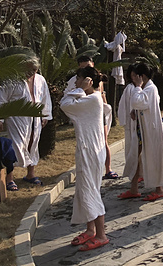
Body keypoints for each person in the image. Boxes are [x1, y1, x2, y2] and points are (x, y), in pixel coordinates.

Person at [60, 66, 111, 251]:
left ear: (88, 81)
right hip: (88, 150)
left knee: (91, 191)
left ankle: (101, 235)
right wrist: (80, 89)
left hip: (91, 151)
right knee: (85, 190)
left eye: (78, 78)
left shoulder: (92, 99)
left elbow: (65, 104)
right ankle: (90, 230)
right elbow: (67, 100)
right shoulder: (88, 98)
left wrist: (81, 89)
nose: (75, 82)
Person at [0, 57, 52, 190]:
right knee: (15, 146)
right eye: (28, 69)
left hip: (35, 118)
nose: (31, 73)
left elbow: (45, 98)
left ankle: (30, 174)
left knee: (33, 143)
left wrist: (46, 115)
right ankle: (10, 178)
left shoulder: (40, 80)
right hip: (17, 118)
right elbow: (2, 99)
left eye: (34, 70)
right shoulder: (11, 80)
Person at [118, 63, 163, 201]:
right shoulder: (145, 89)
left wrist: (138, 87)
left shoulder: (150, 88)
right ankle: (134, 188)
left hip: (150, 131)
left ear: (143, 76)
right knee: (136, 158)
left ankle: (159, 189)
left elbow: (137, 102)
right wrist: (135, 111)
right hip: (141, 131)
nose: (134, 78)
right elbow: (139, 105)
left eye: (136, 75)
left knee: (152, 158)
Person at [65, 55, 116, 180]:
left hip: (97, 111)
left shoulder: (97, 79)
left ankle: (107, 168)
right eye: (82, 68)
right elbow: (69, 98)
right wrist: (81, 90)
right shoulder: (75, 81)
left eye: (87, 66)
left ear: (92, 64)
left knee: (103, 141)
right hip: (84, 111)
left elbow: (101, 95)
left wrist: (105, 109)